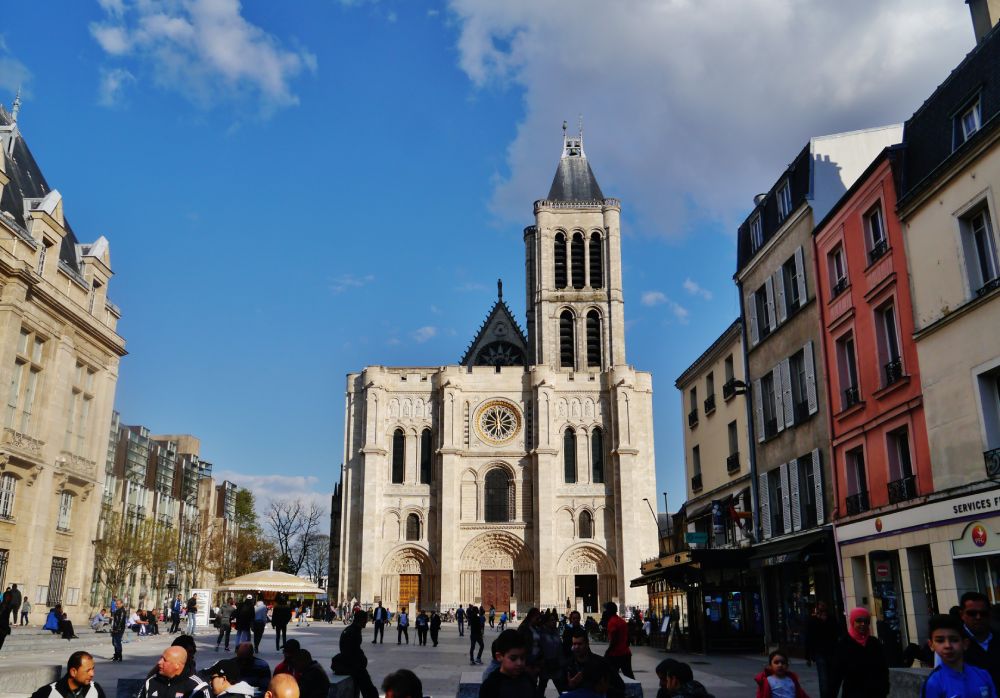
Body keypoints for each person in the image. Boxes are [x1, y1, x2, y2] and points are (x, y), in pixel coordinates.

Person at [923, 613, 998, 698]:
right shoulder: (933, 683)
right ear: (931, 645)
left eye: (954, 640)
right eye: (940, 641)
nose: (948, 645)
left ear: (965, 644)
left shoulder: (983, 675)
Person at [830, 608, 889, 698]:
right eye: (859, 621)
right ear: (852, 622)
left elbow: (883, 669)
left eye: (866, 621)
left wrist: (884, 689)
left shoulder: (874, 643)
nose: (863, 624)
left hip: (875, 693)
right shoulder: (844, 644)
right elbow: (836, 675)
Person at [330, 610, 379, 698]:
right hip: (351, 663)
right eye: (365, 619)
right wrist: (361, 659)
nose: (366, 621)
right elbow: (351, 652)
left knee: (366, 684)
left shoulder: (353, 629)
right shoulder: (353, 631)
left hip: (351, 661)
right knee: (367, 686)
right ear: (360, 619)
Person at [565, 627, 625, 698]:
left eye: (580, 644)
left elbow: (620, 686)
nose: (577, 647)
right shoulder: (569, 664)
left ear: (587, 644)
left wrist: (605, 689)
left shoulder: (601, 662)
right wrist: (571, 685)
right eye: (574, 644)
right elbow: (564, 688)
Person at [961, 591, 1000, 691]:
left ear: (989, 614)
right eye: (972, 613)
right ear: (962, 615)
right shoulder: (953, 643)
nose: (978, 617)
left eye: (983, 613)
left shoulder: (997, 638)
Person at [480, 629, 534, 698]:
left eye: (522, 658)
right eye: (513, 658)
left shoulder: (528, 679)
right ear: (499, 657)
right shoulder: (491, 686)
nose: (519, 663)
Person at [139, 647, 210, 698]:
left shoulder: (198, 687)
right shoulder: (151, 682)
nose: (159, 662)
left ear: (177, 665)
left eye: (165, 660)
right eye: (161, 658)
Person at [30, 651, 106, 698]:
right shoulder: (48, 692)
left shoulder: (95, 689)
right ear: (73, 672)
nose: (92, 674)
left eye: (93, 669)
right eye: (88, 670)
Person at [805, 602, 840, 698]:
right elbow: (809, 638)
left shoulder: (831, 619)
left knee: (831, 678)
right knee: (824, 678)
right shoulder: (813, 621)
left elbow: (836, 634)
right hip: (820, 652)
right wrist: (808, 656)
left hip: (831, 651)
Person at [603, 602, 634, 680]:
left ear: (609, 611)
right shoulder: (621, 621)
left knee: (610, 674)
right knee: (628, 674)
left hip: (615, 654)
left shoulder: (612, 622)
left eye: (606, 610)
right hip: (626, 653)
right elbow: (628, 638)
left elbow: (614, 639)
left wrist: (608, 651)